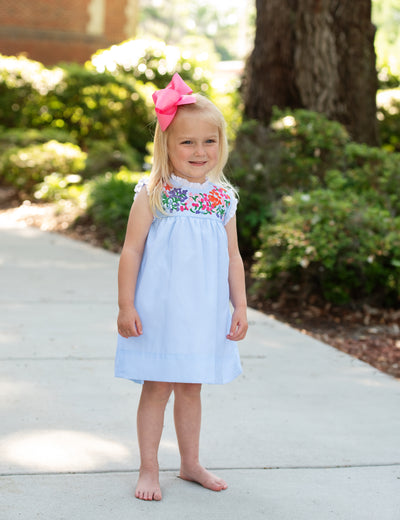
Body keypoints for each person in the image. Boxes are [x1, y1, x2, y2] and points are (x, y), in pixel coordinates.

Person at [115, 73, 248, 501]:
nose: (199, 151)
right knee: (158, 386)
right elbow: (131, 251)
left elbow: (233, 258)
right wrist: (125, 306)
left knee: (192, 387)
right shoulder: (154, 192)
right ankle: (149, 468)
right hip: (159, 310)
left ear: (221, 145)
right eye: (187, 142)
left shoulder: (222, 197)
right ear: (166, 147)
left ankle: (190, 463)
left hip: (203, 311)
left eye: (209, 141)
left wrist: (239, 306)